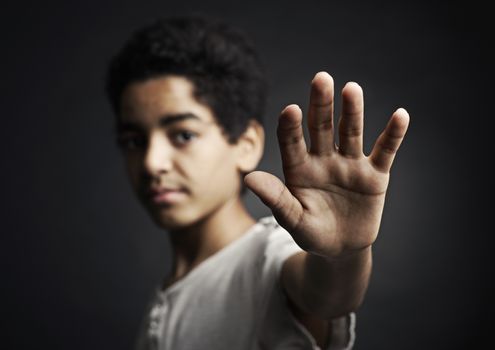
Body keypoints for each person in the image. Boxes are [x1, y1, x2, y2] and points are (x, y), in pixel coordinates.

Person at [105, 14, 409, 350]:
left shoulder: (269, 258)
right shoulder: (167, 291)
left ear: (246, 144)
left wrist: (341, 255)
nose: (151, 162)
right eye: (134, 141)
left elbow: (324, 296)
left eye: (183, 134)